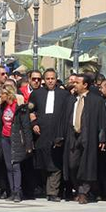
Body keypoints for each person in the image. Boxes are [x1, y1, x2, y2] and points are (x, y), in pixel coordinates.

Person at [64, 73, 106, 204]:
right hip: (73, 136)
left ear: (85, 85)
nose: (74, 85)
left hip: (88, 137)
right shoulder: (71, 99)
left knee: (87, 165)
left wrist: (102, 139)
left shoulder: (96, 100)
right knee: (72, 164)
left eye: (77, 83)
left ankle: (83, 192)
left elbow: (102, 121)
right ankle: (78, 188)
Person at [29, 69, 70, 202]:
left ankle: (53, 192)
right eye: (47, 79)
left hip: (57, 132)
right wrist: (34, 123)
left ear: (56, 79)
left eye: (52, 78)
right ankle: (46, 189)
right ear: (44, 80)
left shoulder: (64, 94)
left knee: (55, 162)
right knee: (43, 162)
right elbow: (31, 111)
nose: (50, 81)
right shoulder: (36, 94)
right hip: (42, 133)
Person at [0, 82, 32, 202]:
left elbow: (26, 126)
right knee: (8, 166)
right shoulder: (2, 107)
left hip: (16, 137)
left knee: (15, 165)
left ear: (8, 94)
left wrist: (28, 144)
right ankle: (12, 191)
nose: (0, 96)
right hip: (5, 137)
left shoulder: (19, 107)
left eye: (2, 94)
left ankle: (18, 191)